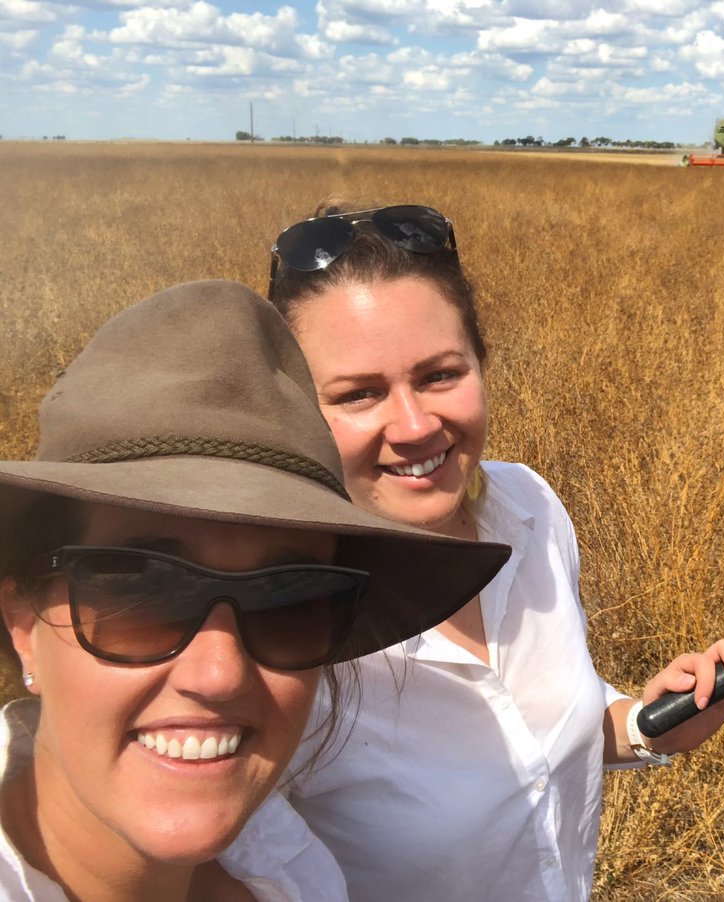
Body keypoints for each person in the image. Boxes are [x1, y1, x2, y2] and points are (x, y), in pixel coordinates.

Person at [262, 202, 724, 900]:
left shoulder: (527, 508)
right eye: (358, 394)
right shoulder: (276, 624)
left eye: (440, 375)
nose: (414, 425)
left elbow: (536, 735)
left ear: (481, 364)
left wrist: (651, 726)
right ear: (291, 412)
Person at [0, 280, 509, 901]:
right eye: (143, 592)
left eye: (289, 601)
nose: (219, 673)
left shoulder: (292, 871)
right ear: (22, 624)